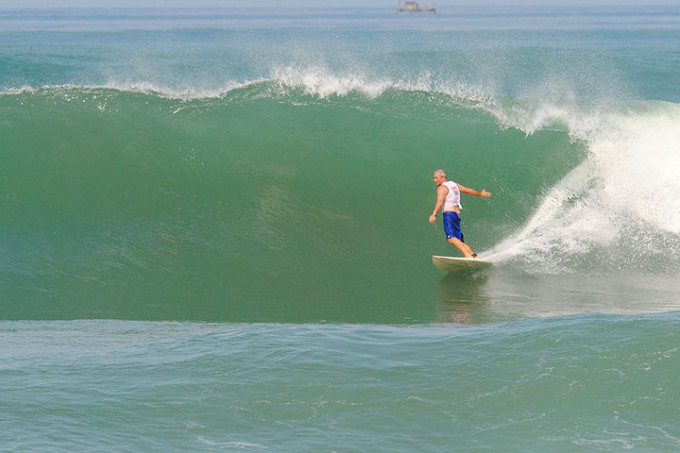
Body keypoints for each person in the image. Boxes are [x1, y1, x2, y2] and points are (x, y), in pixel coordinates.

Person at [428, 169, 491, 258]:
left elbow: (440, 201)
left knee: (451, 238)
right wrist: (480, 194)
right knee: (458, 240)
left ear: (442, 177)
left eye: (436, 178)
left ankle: (467, 256)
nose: (434, 180)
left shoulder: (442, 188)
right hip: (456, 215)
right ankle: (474, 256)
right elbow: (467, 190)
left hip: (449, 215)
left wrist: (434, 214)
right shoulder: (454, 184)